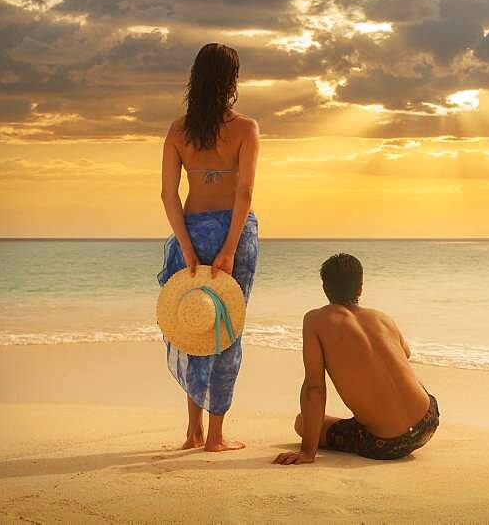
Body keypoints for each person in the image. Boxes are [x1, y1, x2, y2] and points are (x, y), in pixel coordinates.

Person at [157, 42, 260, 452]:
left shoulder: (178, 131)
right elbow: (245, 191)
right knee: (225, 332)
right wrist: (231, 247)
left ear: (195, 78)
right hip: (234, 235)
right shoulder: (245, 129)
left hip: (191, 233)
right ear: (232, 81)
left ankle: (192, 432)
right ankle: (216, 436)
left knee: (191, 326)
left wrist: (185, 246)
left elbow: (168, 195)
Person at [274, 253, 439, 465]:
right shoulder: (382, 317)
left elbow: (315, 388)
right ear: (360, 287)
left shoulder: (315, 320)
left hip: (386, 443)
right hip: (428, 420)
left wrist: (308, 452)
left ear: (325, 287)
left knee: (301, 423)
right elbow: (405, 355)